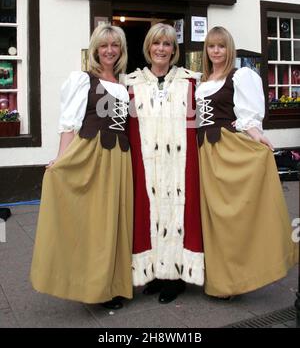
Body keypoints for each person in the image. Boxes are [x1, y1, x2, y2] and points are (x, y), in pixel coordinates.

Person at [30, 24, 133, 309]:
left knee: (116, 222)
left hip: (121, 158)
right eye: (104, 46)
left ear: (121, 50)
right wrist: (61, 159)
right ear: (95, 50)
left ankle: (116, 283)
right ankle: (96, 287)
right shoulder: (83, 80)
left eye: (115, 45)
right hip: (93, 154)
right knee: (97, 223)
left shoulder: (125, 86)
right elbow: (70, 124)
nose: (109, 51)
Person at [196, 26, 298, 298]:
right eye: (211, 46)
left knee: (231, 215)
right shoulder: (202, 81)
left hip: (227, 150)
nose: (216, 51)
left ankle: (237, 278)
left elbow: (247, 117)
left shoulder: (239, 76)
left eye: (221, 46)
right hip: (203, 153)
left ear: (229, 49)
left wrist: (258, 137)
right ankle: (219, 278)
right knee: (212, 217)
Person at [126, 23, 204, 304]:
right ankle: (158, 272)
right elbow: (116, 125)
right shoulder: (131, 84)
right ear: (148, 48)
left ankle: (176, 277)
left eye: (167, 44)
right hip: (147, 164)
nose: (161, 49)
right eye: (157, 43)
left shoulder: (191, 82)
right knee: (150, 213)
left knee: (181, 215)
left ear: (174, 50)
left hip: (182, 164)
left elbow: (205, 120)